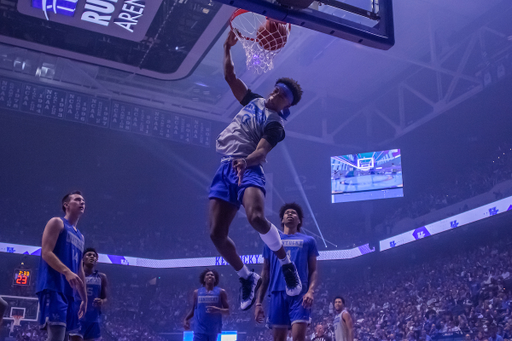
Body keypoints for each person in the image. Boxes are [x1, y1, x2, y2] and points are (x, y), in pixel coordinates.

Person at [209, 29, 304, 310]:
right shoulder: (253, 101)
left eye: (282, 94)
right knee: (215, 234)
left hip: (248, 168)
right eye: (276, 88)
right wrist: (227, 48)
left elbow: (261, 152)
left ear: (287, 104)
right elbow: (230, 77)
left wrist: (245, 161)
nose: (276, 93)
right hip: (225, 167)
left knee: (256, 217)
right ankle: (246, 277)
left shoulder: (275, 124)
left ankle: (286, 265)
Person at [254, 203, 319, 341]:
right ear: (282, 220)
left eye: (294, 213)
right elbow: (265, 273)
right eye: (287, 213)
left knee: (298, 338)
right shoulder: (270, 241)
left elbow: (313, 270)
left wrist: (310, 291)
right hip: (277, 293)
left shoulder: (309, 241)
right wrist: (258, 302)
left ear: (299, 220)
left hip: (300, 295)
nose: (290, 214)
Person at [36, 191, 87, 341]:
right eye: (77, 200)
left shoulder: (81, 236)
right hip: (54, 287)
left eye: (83, 201)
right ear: (66, 205)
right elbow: (46, 252)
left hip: (69, 293)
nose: (82, 202)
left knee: (63, 337)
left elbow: (79, 269)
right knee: (56, 336)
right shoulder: (57, 222)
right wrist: (66, 271)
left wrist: (84, 298)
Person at [184, 269, 230, 341]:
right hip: (199, 330)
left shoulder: (221, 292)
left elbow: (227, 311)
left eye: (212, 275)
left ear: (215, 279)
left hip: (213, 329)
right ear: (204, 279)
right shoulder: (197, 292)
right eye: (208, 275)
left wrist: (217, 310)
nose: (210, 276)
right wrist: (186, 319)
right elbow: (193, 309)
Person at [77, 248, 108, 341]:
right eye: (89, 255)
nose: (92, 257)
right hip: (78, 317)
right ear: (82, 259)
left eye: (94, 256)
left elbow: (105, 298)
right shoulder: (76, 275)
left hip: (94, 319)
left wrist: (102, 301)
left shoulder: (102, 277)